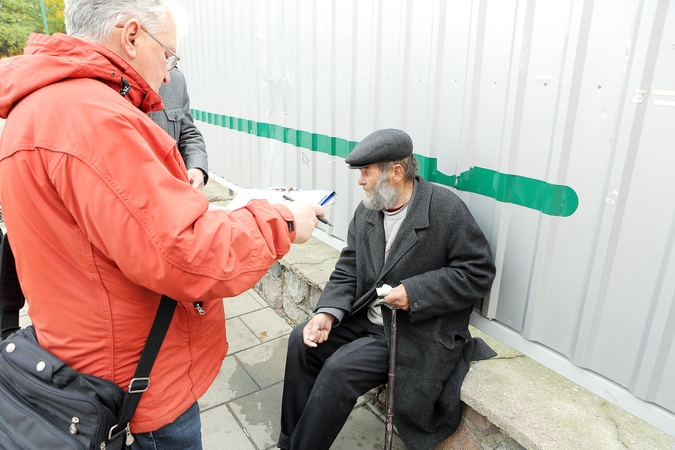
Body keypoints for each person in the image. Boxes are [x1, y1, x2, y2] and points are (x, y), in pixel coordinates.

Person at [0, 0, 323, 448]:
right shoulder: (92, 116)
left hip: (81, 354)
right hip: (133, 380)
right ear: (131, 35)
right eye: (169, 54)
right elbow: (185, 254)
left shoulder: (38, 106)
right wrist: (283, 222)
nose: (169, 73)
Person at [278, 129, 497, 450]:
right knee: (302, 340)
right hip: (366, 319)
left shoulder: (445, 210)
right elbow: (348, 265)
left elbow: (478, 273)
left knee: (339, 371)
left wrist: (416, 291)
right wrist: (328, 311)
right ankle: (289, 440)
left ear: (396, 172)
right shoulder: (368, 210)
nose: (360, 181)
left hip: (412, 330)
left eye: (367, 172)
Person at [149, 67, 208, 190]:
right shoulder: (108, 86)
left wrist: (197, 166)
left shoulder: (176, 79)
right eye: (165, 55)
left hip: (173, 195)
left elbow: (188, 133)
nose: (167, 76)